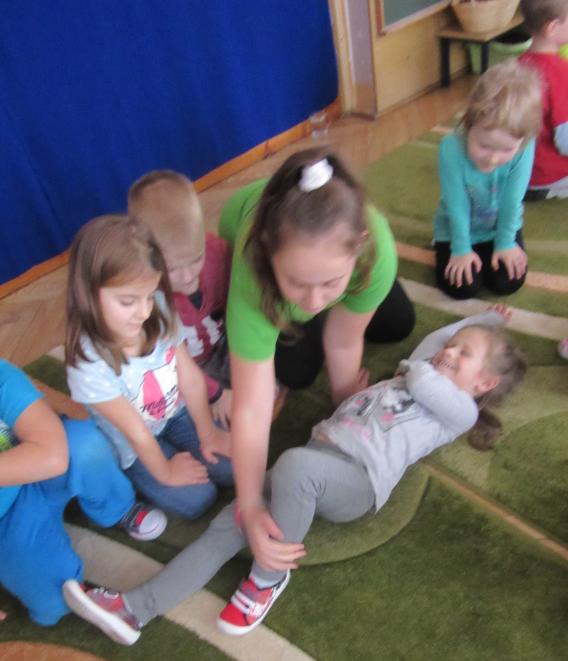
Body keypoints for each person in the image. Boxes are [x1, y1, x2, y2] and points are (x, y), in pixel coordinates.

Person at [62, 306, 526, 645]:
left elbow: (425, 376)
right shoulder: (422, 367)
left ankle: (268, 578)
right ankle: (135, 609)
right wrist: (481, 322)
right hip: (314, 461)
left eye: (463, 353)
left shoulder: (458, 412)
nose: (448, 351)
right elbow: (435, 344)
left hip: (358, 482)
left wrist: (442, 354)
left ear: (483, 385)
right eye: (451, 346)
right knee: (227, 524)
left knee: (295, 466)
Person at [216, 147, 415, 572]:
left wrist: (346, 405)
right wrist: (249, 504)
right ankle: (304, 284)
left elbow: (343, 341)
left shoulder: (377, 248)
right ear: (269, 255)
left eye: (330, 283)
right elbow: (252, 407)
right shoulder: (252, 263)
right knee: (296, 370)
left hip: (342, 263)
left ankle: (321, 281)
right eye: (297, 283)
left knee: (399, 322)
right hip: (249, 242)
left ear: (360, 246)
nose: (312, 302)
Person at [65, 215, 233, 519]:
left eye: (148, 296)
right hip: (134, 445)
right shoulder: (87, 363)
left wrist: (208, 433)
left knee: (235, 466)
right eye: (128, 301)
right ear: (88, 292)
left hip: (176, 413)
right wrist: (167, 472)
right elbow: (136, 432)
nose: (143, 312)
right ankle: (139, 478)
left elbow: (190, 379)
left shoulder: (157, 306)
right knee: (198, 499)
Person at [0, 359, 167, 627]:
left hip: (43, 470)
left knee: (84, 444)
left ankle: (118, 508)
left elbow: (53, 456)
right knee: (55, 602)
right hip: (7, 519)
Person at [128, 170, 234, 427]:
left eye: (196, 258)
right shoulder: (145, 297)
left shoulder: (218, 252)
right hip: (184, 372)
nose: (188, 277)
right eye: (172, 268)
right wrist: (216, 394)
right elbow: (170, 363)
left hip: (223, 347)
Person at [433, 60, 541, 300]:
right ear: (468, 123)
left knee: (507, 282)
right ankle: (469, 252)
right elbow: (457, 205)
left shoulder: (525, 148)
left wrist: (505, 243)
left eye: (506, 150)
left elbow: (512, 201)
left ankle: (488, 251)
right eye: (483, 145)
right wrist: (461, 249)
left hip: (500, 227)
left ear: (522, 142)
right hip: (456, 229)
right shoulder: (451, 148)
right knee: (461, 288)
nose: (492, 159)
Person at [519, 0, 568, 200]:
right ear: (552, 27)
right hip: (548, 176)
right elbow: (565, 140)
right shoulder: (561, 73)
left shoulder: (519, 64)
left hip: (517, 172)